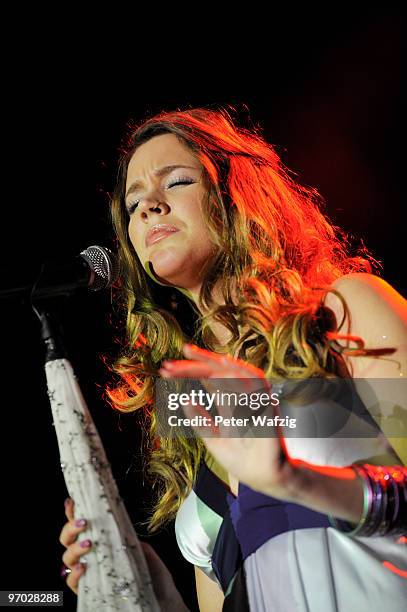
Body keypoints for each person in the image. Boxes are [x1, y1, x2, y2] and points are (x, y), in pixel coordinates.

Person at [59, 107, 407, 611]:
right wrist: (155, 591)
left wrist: (293, 479)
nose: (148, 207)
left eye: (175, 181)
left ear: (237, 197)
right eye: (133, 204)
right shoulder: (193, 406)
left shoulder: (342, 312)